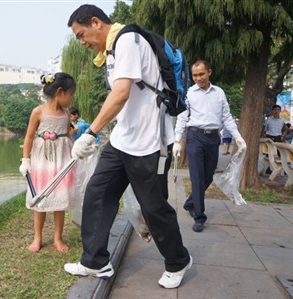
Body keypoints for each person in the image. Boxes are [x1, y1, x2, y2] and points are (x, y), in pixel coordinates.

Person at [64, 4, 192, 289]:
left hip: (149, 142)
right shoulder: (110, 51)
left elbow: (121, 93)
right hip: (122, 139)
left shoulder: (128, 40)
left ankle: (178, 261)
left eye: (81, 34)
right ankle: (95, 262)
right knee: (98, 192)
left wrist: (91, 133)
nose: (82, 42)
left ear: (96, 22)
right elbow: (121, 97)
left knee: (154, 208)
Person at [173, 59, 247, 233]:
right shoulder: (189, 93)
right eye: (194, 75)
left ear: (209, 72)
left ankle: (191, 202)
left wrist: (238, 137)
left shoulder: (219, 93)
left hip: (213, 139)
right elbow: (182, 117)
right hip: (195, 137)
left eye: (201, 74)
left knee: (208, 176)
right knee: (197, 177)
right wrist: (177, 140)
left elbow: (227, 117)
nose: (198, 78)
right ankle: (199, 216)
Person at [19, 72, 76, 253]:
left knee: (60, 200)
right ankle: (38, 237)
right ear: (60, 92)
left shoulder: (67, 114)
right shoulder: (38, 111)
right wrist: (25, 159)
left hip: (61, 161)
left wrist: (79, 147)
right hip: (42, 162)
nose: (72, 98)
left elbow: (67, 135)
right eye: (71, 94)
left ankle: (58, 238)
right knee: (41, 200)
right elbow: (29, 137)